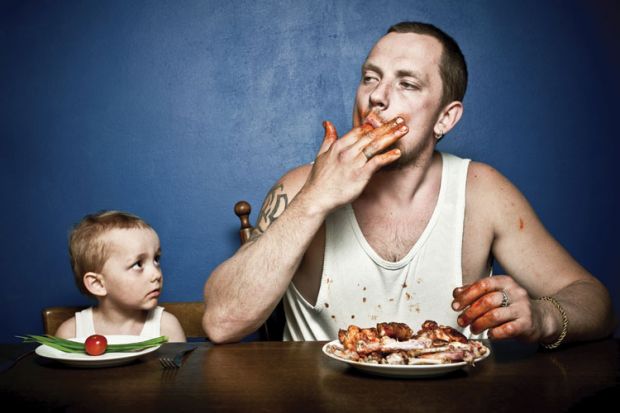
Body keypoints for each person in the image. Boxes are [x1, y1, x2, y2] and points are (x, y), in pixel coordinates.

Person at [203, 22, 615, 346]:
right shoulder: (299, 187)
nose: (378, 97)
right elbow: (221, 323)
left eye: (407, 84)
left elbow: (595, 302)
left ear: (445, 118)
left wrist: (542, 317)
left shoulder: (482, 192)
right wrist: (315, 198)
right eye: (370, 78)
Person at [56, 210, 186, 341]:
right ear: (98, 284)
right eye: (138, 264)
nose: (156, 274)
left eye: (156, 259)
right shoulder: (71, 333)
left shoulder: (166, 327)